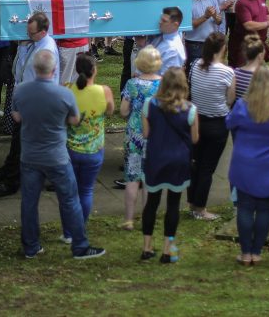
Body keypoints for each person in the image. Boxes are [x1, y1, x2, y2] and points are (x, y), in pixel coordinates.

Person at [12, 49, 105, 260]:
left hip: (30, 155)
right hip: (57, 156)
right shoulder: (64, 94)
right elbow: (74, 120)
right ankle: (80, 246)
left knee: (29, 202)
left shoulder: (20, 91)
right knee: (70, 199)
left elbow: (17, 117)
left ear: (34, 68)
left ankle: (31, 246)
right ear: (55, 69)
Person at [227, 65, 269, 266]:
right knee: (265, 209)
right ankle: (257, 252)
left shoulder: (242, 106)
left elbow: (228, 123)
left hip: (244, 164)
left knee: (245, 208)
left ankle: (245, 252)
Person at [0, 12, 59, 194]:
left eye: (32, 33)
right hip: (28, 99)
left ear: (43, 31)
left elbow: (41, 81)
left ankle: (12, 182)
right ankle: (8, 170)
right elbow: (20, 69)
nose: (28, 35)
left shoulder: (46, 50)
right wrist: (23, 47)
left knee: (23, 143)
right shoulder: (35, 44)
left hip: (36, 104)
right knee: (18, 140)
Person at [139, 67, 200, 266]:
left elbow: (146, 134)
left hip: (156, 159)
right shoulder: (190, 110)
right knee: (173, 205)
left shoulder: (150, 105)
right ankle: (168, 249)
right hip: (179, 161)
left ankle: (147, 247)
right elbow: (195, 138)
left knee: (152, 203)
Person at [62, 53, 114, 241]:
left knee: (70, 193)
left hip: (70, 150)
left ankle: (68, 233)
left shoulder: (67, 90)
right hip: (94, 150)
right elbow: (110, 111)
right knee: (86, 191)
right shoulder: (105, 91)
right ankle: (79, 230)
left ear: (77, 70)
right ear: (94, 70)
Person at [187, 32, 235, 219]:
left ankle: (192, 202)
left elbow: (192, 88)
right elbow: (230, 99)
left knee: (196, 164)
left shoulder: (194, 66)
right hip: (217, 123)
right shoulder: (227, 72)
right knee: (207, 168)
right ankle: (200, 209)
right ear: (223, 48)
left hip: (197, 120)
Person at [118, 46, 162, 230]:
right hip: (155, 134)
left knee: (132, 176)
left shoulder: (131, 84)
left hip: (134, 133)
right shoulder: (162, 84)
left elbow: (122, 111)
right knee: (149, 179)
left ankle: (128, 219)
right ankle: (147, 218)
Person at [185, 0, 225, 69]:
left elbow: (219, 22)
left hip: (211, 43)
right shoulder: (187, 0)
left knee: (212, 71)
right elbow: (188, 25)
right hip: (194, 44)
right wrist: (206, 16)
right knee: (194, 73)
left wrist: (215, 16)